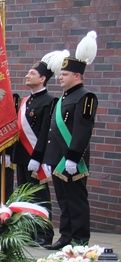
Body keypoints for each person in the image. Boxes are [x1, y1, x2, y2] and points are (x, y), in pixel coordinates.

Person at [44, 31, 98, 250]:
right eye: (60, 74)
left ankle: (80, 239)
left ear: (77, 76)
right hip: (58, 158)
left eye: (64, 74)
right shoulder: (62, 99)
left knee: (76, 200)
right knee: (63, 201)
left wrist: (74, 156)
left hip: (73, 158)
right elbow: (53, 132)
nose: (60, 77)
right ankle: (65, 236)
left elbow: (83, 130)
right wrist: (49, 159)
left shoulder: (86, 97)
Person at [14, 57, 56, 247]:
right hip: (23, 157)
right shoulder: (25, 101)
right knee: (25, 196)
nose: (27, 75)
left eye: (32, 73)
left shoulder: (50, 101)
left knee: (40, 197)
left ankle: (45, 233)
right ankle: (29, 232)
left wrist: (38, 156)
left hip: (36, 158)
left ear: (43, 79)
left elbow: (45, 131)